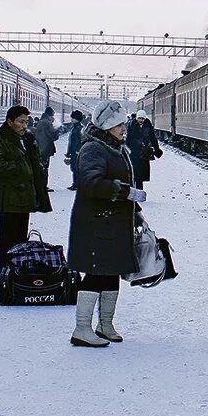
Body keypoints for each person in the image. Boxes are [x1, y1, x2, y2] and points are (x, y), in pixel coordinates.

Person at [67, 100, 147, 348]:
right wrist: (126, 193)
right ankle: (82, 328)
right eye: (120, 124)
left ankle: (105, 324)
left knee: (111, 272)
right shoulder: (94, 149)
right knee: (94, 273)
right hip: (96, 223)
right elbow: (91, 183)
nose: (125, 127)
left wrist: (135, 212)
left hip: (114, 222)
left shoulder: (114, 148)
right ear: (107, 127)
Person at [0, 105, 52, 270]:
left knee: (21, 240)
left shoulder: (27, 138)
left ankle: (18, 274)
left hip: (23, 198)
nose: (24, 125)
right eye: (21, 122)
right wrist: (19, 168)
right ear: (10, 122)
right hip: (8, 199)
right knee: (8, 241)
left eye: (26, 121)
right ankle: (6, 274)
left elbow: (33, 159)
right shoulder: (0, 138)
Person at [126, 109, 163, 190]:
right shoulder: (131, 125)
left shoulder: (148, 125)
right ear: (136, 118)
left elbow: (153, 138)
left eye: (142, 118)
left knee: (141, 173)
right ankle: (133, 189)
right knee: (134, 171)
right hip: (134, 151)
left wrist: (157, 149)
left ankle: (139, 191)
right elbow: (128, 139)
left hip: (144, 152)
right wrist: (128, 148)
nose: (141, 120)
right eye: (139, 118)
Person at [34, 107, 57, 192]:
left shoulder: (41, 121)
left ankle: (40, 185)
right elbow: (53, 135)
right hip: (45, 148)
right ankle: (43, 186)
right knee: (44, 168)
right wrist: (58, 131)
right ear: (50, 115)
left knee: (41, 167)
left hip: (40, 147)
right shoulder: (47, 123)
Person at [64, 110, 86, 191]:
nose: (71, 119)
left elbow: (81, 141)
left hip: (77, 152)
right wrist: (68, 152)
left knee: (76, 168)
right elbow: (71, 142)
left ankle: (77, 184)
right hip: (73, 151)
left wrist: (78, 150)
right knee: (73, 168)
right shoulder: (75, 128)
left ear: (77, 119)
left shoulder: (80, 128)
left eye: (73, 118)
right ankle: (75, 183)